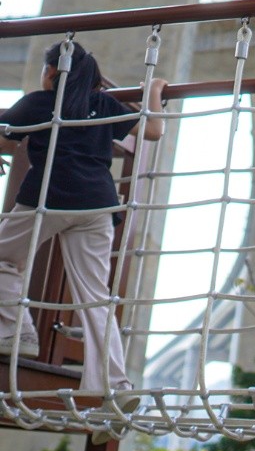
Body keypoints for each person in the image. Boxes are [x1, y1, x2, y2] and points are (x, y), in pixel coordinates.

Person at [0, 41, 166, 406]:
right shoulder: (105, 104)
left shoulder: (39, 103)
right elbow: (153, 131)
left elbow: (4, 129)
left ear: (49, 74)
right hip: (98, 206)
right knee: (95, 298)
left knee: (5, 258)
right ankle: (114, 386)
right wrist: (152, 90)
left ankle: (17, 331)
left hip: (48, 200)